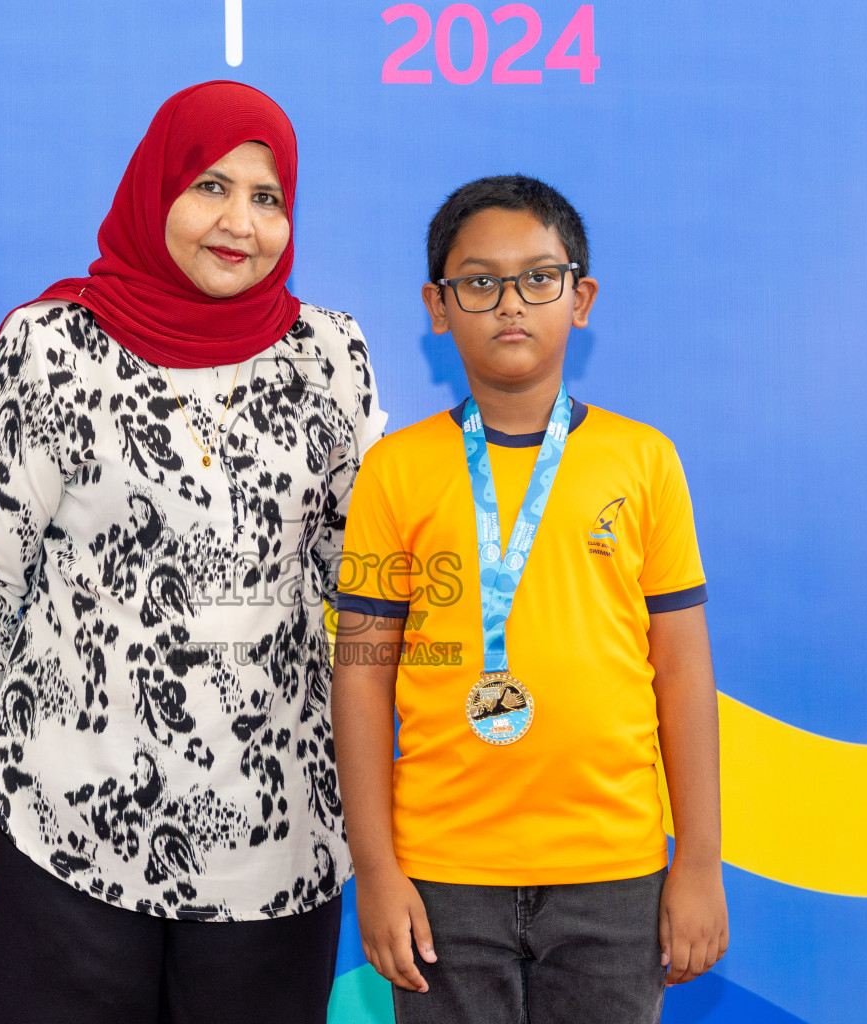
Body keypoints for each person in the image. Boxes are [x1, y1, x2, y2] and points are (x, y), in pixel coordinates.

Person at [0, 81, 386, 1024]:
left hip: (278, 826)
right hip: (70, 815)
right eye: (211, 186)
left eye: (268, 198)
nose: (240, 223)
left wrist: (400, 759)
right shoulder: (53, 347)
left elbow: (367, 580)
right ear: (154, 188)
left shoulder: (330, 356)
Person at [332, 175, 727, 1024]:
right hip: (443, 873)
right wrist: (376, 867)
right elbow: (362, 674)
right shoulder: (395, 472)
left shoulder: (643, 461)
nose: (510, 303)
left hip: (612, 870)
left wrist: (697, 861)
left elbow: (685, 673)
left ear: (579, 298)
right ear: (439, 307)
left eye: (538, 278)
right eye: (479, 282)